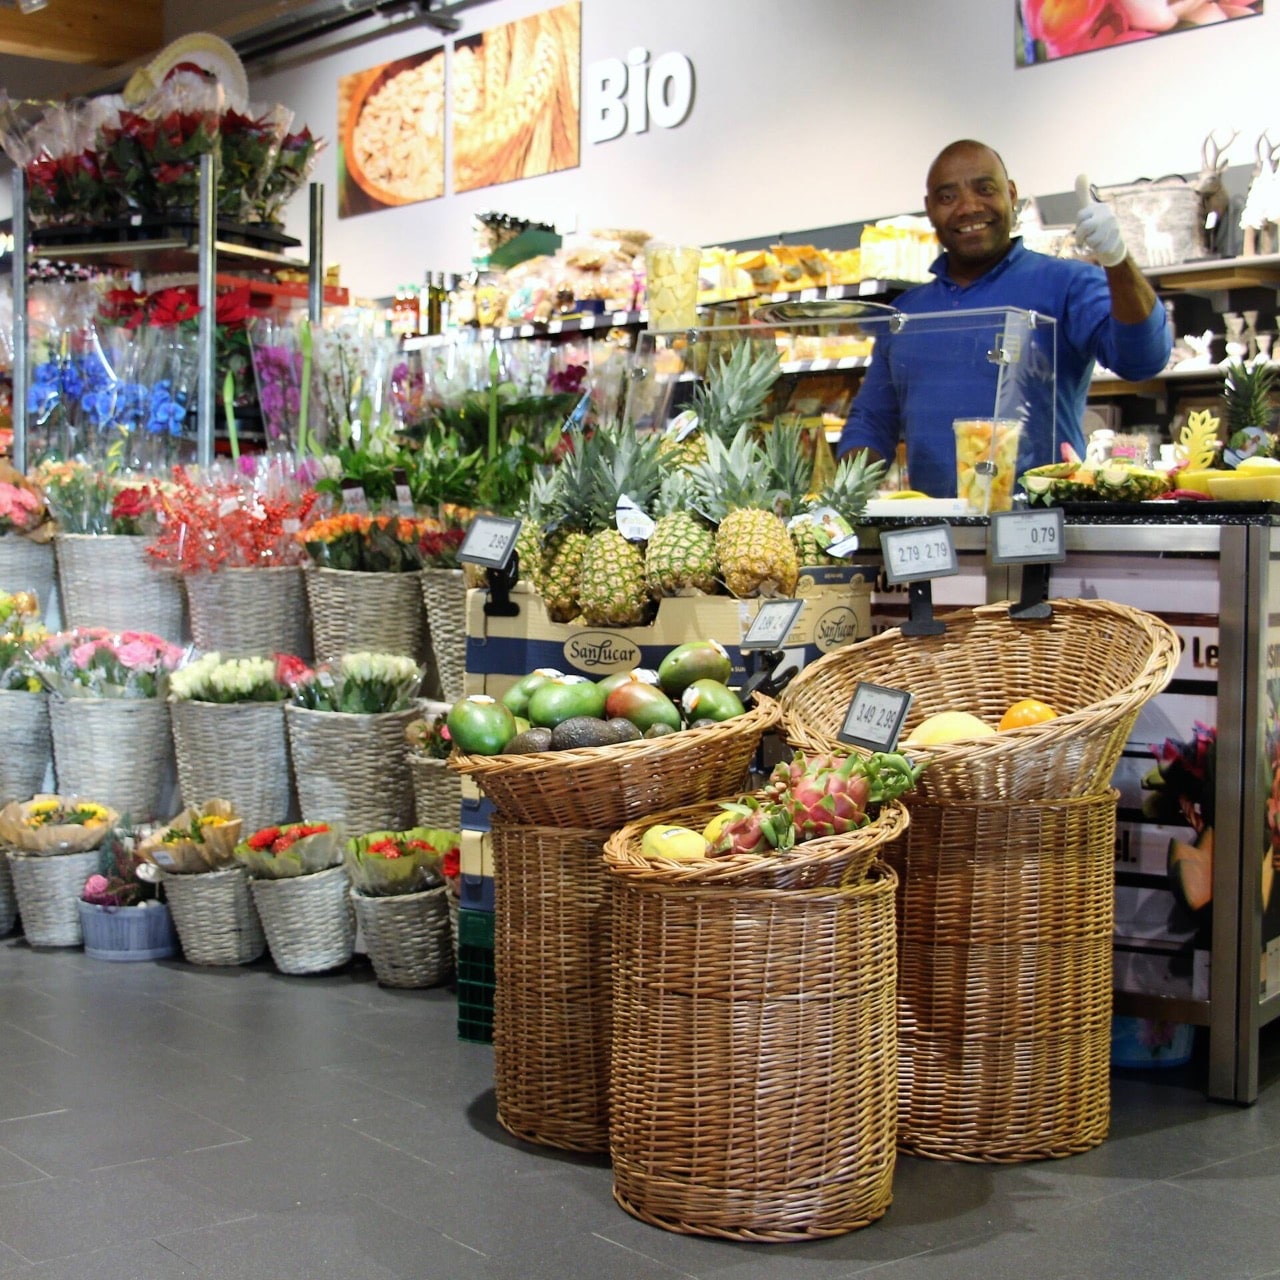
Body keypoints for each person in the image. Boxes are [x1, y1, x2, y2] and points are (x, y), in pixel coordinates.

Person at [837, 140, 1173, 497]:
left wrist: (1116, 257)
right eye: (948, 197)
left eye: (985, 189)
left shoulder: (1068, 284)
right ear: (930, 210)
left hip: (1045, 527)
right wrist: (840, 499)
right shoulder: (906, 314)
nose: (968, 207)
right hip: (934, 536)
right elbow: (872, 423)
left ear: (1011, 195)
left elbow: (1144, 360)